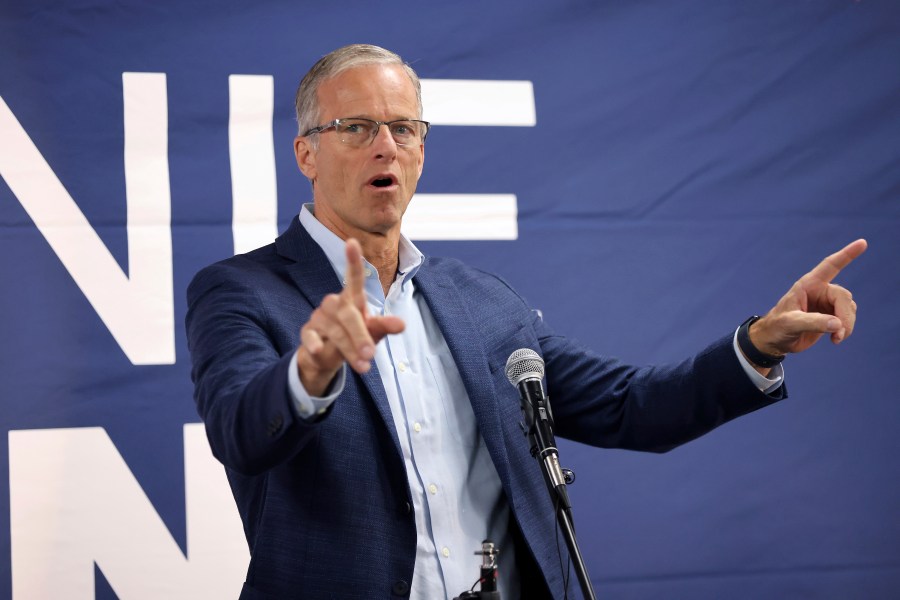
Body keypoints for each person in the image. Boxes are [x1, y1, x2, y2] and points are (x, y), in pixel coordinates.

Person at [185, 44, 865, 600]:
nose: (385, 146)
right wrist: (310, 370)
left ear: (423, 149)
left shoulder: (481, 301)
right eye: (356, 127)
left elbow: (632, 407)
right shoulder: (241, 291)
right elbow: (241, 431)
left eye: (404, 127)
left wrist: (757, 345)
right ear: (306, 153)